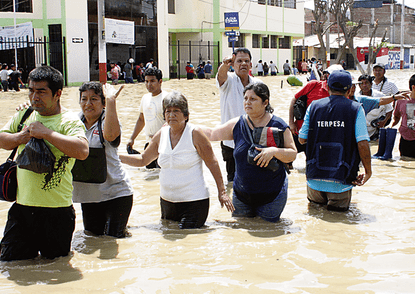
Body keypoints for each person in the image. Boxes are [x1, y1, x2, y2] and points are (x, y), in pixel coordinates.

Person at [0, 66, 89, 261]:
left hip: (56, 211)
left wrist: (47, 133)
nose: (34, 97)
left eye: (41, 91)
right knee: (12, 266)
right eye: (31, 90)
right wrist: (21, 137)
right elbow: (1, 140)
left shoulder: (69, 121)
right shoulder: (24, 115)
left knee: (56, 266)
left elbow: (82, 151)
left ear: (58, 94)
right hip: (21, 208)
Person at [120, 92, 234, 228]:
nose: (171, 115)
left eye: (176, 111)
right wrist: (115, 157)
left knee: (188, 242)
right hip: (167, 202)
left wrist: (222, 192)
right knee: (168, 243)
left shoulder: (195, 133)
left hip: (194, 202)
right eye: (168, 111)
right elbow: (143, 160)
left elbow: (212, 163)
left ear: (186, 116)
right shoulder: (161, 134)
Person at [203, 83, 297, 222]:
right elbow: (211, 134)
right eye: (245, 98)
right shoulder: (237, 124)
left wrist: (274, 151)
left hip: (273, 195)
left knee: (268, 232)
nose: (247, 102)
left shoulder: (279, 125)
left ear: (265, 102)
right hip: (242, 195)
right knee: (242, 233)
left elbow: (292, 154)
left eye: (253, 99)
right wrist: (183, 125)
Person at [298, 70, 372, 212]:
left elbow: (302, 139)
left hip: (314, 179)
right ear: (350, 89)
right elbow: (362, 143)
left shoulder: (313, 106)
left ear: (327, 87)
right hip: (341, 180)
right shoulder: (356, 109)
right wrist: (368, 171)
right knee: (339, 223)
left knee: (316, 222)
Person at [72, 82, 133, 238]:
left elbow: (111, 137)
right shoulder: (73, 123)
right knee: (92, 239)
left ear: (103, 102)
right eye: (84, 99)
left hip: (116, 193)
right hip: (89, 196)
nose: (88, 104)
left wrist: (112, 100)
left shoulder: (109, 119)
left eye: (94, 99)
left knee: (112, 241)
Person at [216, 47, 261, 182]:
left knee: (253, 179)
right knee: (232, 180)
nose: (243, 64)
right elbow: (221, 76)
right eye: (239, 61)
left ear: (251, 65)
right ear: (233, 64)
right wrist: (224, 65)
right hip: (231, 142)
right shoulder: (228, 81)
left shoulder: (258, 84)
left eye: (246, 61)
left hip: (253, 141)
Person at [127, 67, 167, 169]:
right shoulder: (145, 98)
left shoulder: (167, 99)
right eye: (146, 81)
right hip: (149, 144)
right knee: (150, 175)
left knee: (161, 174)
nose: (149, 84)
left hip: (164, 145)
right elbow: (141, 119)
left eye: (152, 81)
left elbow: (172, 123)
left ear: (160, 81)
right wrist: (132, 138)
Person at [289, 79, 330, 156]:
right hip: (299, 130)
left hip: (319, 136)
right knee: (286, 161)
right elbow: (294, 99)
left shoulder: (340, 95)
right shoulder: (313, 85)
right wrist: (291, 122)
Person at [356, 75, 392, 140]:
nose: (364, 85)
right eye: (362, 83)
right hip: (362, 131)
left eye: (366, 83)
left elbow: (389, 110)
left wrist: (384, 121)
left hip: (376, 130)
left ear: (371, 84)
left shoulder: (380, 96)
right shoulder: (356, 97)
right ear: (359, 85)